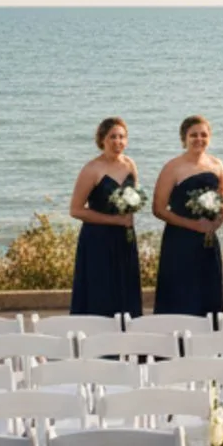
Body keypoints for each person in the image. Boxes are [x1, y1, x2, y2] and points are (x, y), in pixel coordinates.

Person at [150, 116, 223, 316]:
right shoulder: (173, 167)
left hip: (208, 241)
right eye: (193, 135)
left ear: (209, 137)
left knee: (208, 292)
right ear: (184, 138)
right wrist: (193, 225)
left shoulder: (217, 165)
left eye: (203, 134)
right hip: (179, 241)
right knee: (180, 294)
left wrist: (217, 222)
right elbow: (158, 208)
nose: (198, 139)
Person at [67, 116, 143, 317]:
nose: (118, 142)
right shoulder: (92, 169)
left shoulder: (130, 165)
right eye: (112, 137)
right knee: (100, 291)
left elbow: (133, 197)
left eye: (122, 137)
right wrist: (115, 220)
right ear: (102, 140)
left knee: (126, 288)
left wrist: (131, 209)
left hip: (125, 238)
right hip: (97, 239)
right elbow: (75, 210)